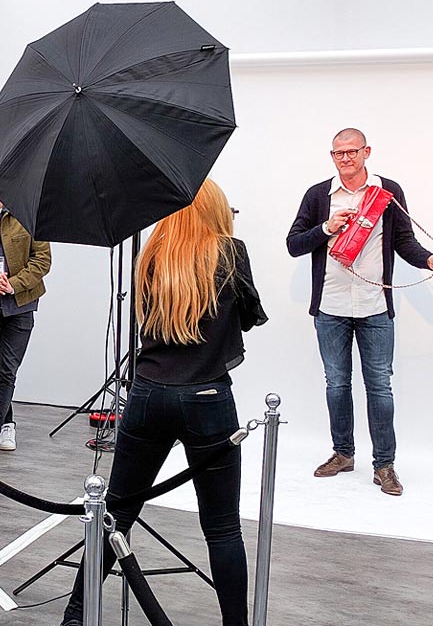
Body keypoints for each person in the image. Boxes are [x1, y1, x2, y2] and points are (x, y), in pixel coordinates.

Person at [61, 179, 267, 626]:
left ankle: (75, 616)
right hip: (208, 397)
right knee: (222, 527)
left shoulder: (152, 254)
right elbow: (250, 317)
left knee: (116, 514)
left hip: (149, 393)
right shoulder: (231, 252)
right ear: (214, 210)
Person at [286, 128, 433, 496]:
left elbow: (404, 241)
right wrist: (325, 228)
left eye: (352, 151)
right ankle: (343, 454)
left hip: (375, 305)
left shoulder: (386, 192)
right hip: (330, 306)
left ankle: (384, 465)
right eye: (338, 153)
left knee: (379, 386)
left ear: (367, 152)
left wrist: (428, 259)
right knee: (336, 384)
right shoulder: (318, 195)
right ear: (332, 156)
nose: (345, 158)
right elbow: (294, 244)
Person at [0, 202, 51, 452]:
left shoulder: (29, 213)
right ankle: (7, 422)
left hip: (20, 306)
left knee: (6, 371)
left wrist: (13, 284)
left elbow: (42, 260)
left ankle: (4, 425)